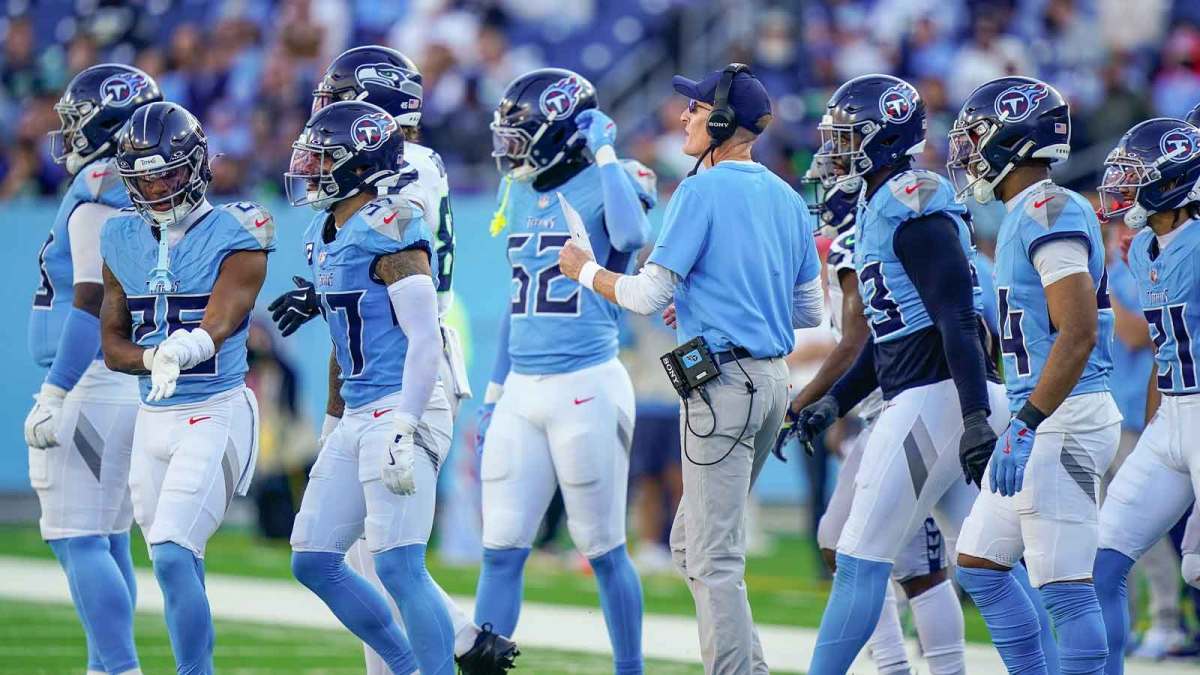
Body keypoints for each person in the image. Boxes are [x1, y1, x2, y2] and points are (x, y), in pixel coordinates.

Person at [558, 63, 824, 674]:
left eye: (697, 109)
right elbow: (809, 309)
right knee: (692, 544)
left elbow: (648, 297)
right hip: (772, 380)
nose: (684, 116)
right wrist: (725, 296)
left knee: (711, 556)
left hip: (721, 384)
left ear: (723, 120)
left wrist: (585, 272)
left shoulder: (699, 190)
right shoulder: (786, 193)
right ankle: (748, 664)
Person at [265, 44, 516, 675]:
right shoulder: (339, 217)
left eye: (340, 101)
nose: (324, 113)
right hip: (376, 350)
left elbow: (400, 263)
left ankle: (446, 648)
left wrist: (401, 418)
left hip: (415, 335)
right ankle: (449, 642)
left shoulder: (401, 186)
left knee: (389, 556)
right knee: (349, 556)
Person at [779, 74, 1008, 675]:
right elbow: (888, 341)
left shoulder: (914, 201)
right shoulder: (882, 202)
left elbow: (957, 318)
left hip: (937, 397)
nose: (834, 149)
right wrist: (833, 401)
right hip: (923, 392)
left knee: (861, 558)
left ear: (883, 139)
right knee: (985, 565)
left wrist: (975, 414)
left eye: (848, 136)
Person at [473, 67, 653, 675]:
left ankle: (631, 668)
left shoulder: (615, 178)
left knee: (602, 548)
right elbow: (515, 303)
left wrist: (604, 148)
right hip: (522, 386)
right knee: (500, 548)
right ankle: (484, 664)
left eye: (521, 135)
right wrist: (495, 392)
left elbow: (633, 234)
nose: (510, 149)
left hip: (587, 382)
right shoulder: (521, 192)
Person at [948, 76, 1120, 675]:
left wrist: (1025, 422)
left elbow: (1077, 333)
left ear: (1011, 139)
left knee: (1065, 586)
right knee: (979, 563)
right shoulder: (1024, 214)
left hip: (1063, 415)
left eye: (976, 137)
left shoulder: (1050, 208)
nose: (968, 152)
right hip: (1042, 413)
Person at [281, 100, 458, 675]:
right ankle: (407, 667)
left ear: (360, 164)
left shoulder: (393, 224)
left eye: (323, 156)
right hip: (361, 407)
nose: (309, 166)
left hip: (403, 404)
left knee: (401, 566)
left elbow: (425, 339)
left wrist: (405, 424)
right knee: (312, 558)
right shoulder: (324, 229)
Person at [99, 101, 274, 674]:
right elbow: (112, 345)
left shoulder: (239, 227)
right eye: (142, 178)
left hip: (215, 407)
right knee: (174, 560)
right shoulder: (120, 235)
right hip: (154, 416)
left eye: (166, 174)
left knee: (173, 553)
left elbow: (225, 316)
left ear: (198, 166)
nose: (154, 189)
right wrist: (153, 356)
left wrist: (183, 348)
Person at [784, 149, 965, 675]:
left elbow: (858, 340)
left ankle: (899, 666)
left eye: (840, 171)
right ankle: (906, 665)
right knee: (920, 560)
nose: (831, 180)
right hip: (908, 408)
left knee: (866, 552)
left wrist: (808, 400)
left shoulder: (866, 236)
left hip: (907, 408)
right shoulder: (896, 225)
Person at [24, 63, 160, 675]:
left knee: (78, 536)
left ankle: (119, 667)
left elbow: (90, 302)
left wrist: (55, 392)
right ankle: (105, 666)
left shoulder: (100, 187)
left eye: (79, 120)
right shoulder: (137, 187)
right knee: (104, 538)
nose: (71, 133)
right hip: (117, 382)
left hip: (90, 380)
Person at [1092, 117, 1200, 675]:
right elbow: (1161, 351)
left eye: (1134, 176)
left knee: (1195, 568)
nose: (1121, 187)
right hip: (1170, 417)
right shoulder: (1140, 252)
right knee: (1101, 563)